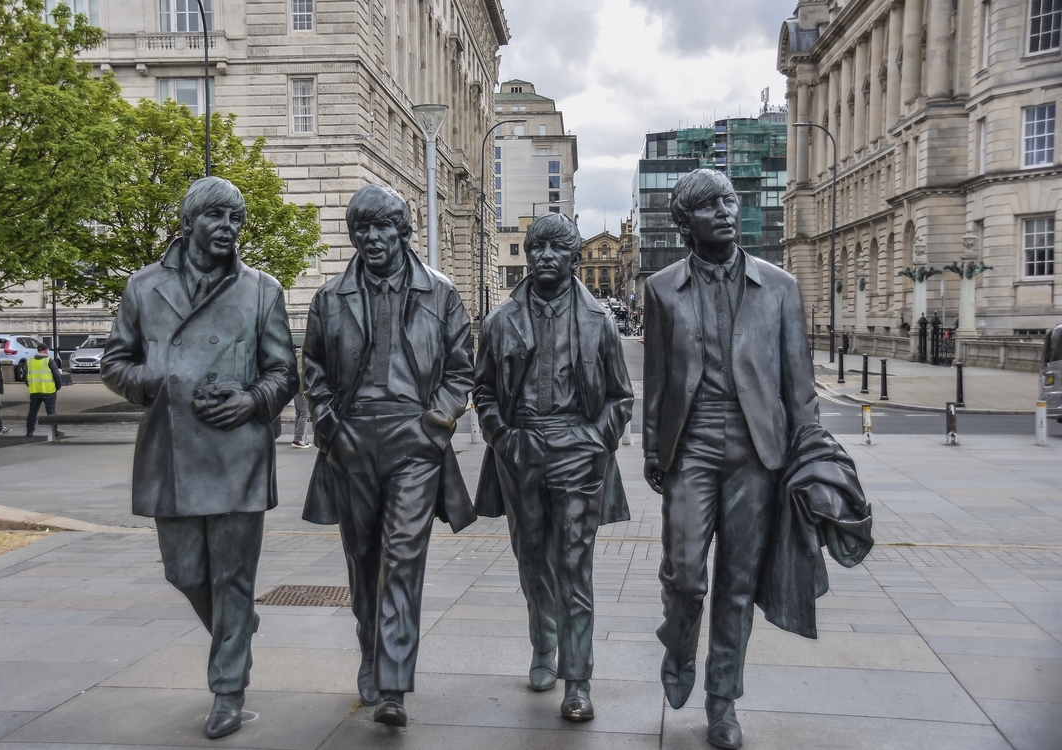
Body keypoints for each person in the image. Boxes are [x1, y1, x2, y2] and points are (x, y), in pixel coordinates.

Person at [102, 176, 298, 740]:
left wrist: (252, 399)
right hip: (171, 449)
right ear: (187, 223)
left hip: (238, 452)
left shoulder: (261, 289)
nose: (228, 228)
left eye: (236, 219)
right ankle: (237, 625)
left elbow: (284, 371)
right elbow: (114, 363)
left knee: (233, 577)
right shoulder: (143, 287)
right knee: (183, 571)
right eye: (216, 216)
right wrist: (157, 378)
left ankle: (228, 689)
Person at [641, 169, 820, 749]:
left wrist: (810, 455)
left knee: (737, 585)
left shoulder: (780, 287)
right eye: (709, 205)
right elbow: (657, 377)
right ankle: (678, 643)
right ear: (685, 222)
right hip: (690, 445)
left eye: (729, 201)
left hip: (756, 452)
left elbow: (799, 386)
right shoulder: (661, 288)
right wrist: (652, 447)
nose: (725, 211)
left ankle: (723, 701)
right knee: (685, 577)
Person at [301, 184, 475, 727]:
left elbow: (461, 369)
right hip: (351, 438)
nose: (372, 238)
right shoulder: (330, 298)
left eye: (382, 227)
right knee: (363, 557)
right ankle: (371, 650)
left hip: (414, 440)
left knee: (402, 556)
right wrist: (330, 427)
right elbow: (314, 369)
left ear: (403, 231)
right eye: (362, 228)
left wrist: (435, 424)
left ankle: (394, 682)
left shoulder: (440, 293)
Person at [473, 213, 634, 722]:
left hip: (577, 448)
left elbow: (620, 397)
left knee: (573, 565)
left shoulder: (599, 321)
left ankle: (577, 678)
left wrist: (595, 441)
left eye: (556, 248)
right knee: (531, 559)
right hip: (521, 447)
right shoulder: (500, 321)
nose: (544, 256)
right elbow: (483, 390)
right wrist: (502, 437)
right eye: (536, 247)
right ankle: (543, 645)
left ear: (573, 257)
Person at [24, 344, 62, 437]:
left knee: (33, 411)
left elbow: (25, 377)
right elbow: (57, 375)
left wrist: (30, 385)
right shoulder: (49, 360)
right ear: (46, 350)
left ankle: (30, 431)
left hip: (34, 390)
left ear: (38, 350)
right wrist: (58, 387)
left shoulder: (30, 361)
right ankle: (54, 431)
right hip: (49, 390)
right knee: (51, 411)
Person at [291, 346, 311, 448]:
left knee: (299, 414)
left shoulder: (298, 354)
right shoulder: (302, 355)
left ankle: (298, 439)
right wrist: (304, 391)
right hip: (300, 390)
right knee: (304, 414)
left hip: (296, 388)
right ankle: (298, 439)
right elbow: (300, 373)